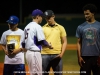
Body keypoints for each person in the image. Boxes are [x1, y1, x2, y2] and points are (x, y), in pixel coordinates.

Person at [24, 9, 53, 75]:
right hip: (34, 54)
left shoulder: (27, 27)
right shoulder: (37, 26)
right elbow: (42, 41)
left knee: (33, 73)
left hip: (28, 54)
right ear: (37, 17)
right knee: (37, 73)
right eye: (41, 16)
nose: (42, 18)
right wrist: (49, 45)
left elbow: (23, 43)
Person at [76, 4, 100, 75]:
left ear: (93, 13)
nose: (85, 16)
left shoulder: (99, 25)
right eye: (84, 14)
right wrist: (79, 56)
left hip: (97, 56)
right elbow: (78, 42)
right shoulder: (80, 27)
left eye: (87, 14)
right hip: (84, 58)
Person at [41, 10, 67, 75]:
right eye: (46, 18)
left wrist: (61, 54)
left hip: (57, 55)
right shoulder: (42, 28)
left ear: (53, 16)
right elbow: (40, 42)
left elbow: (65, 42)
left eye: (49, 17)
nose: (48, 19)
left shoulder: (61, 28)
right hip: (44, 55)